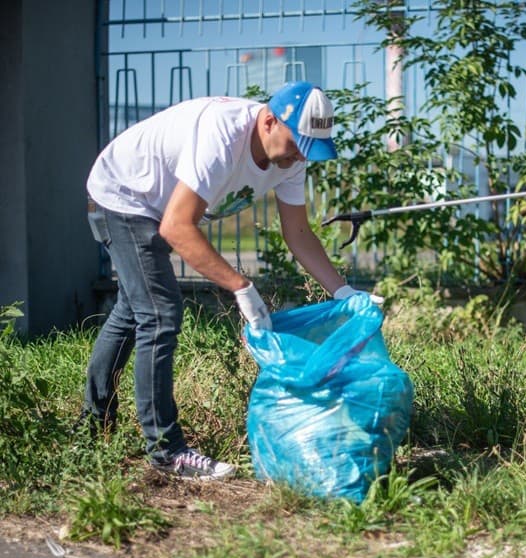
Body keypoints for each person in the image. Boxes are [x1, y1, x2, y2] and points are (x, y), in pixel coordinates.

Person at [81, 81, 374, 480]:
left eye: (309, 148)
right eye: (296, 143)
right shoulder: (221, 135)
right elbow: (177, 227)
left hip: (158, 203)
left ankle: (92, 426)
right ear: (269, 121)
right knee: (161, 313)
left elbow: (298, 233)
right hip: (125, 193)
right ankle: (167, 451)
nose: (300, 156)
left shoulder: (291, 155)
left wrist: (343, 293)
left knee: (134, 311)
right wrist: (241, 287)